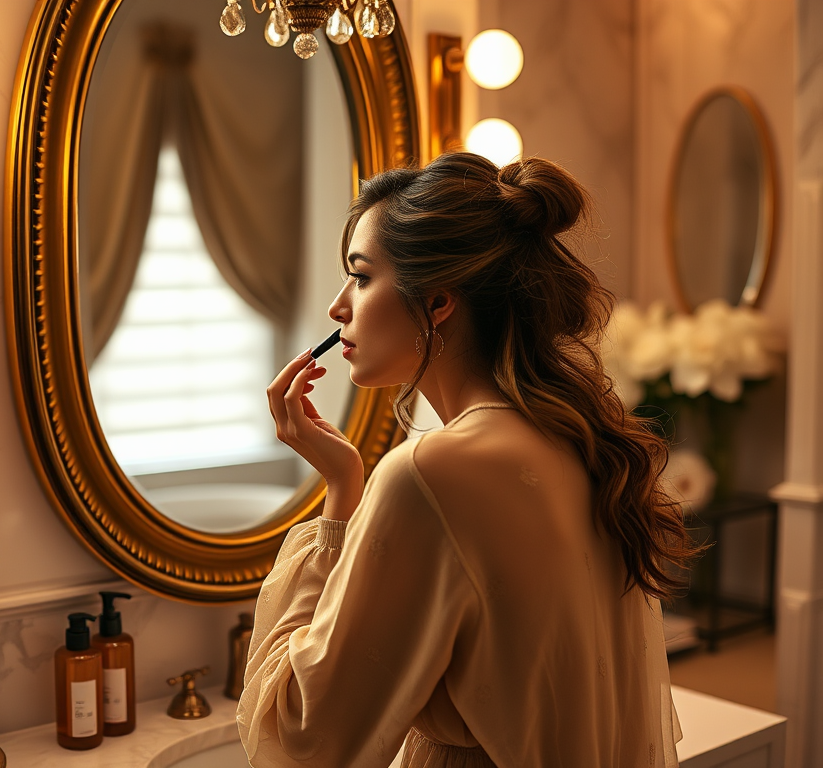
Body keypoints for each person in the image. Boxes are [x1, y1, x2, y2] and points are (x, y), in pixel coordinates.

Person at [236, 153, 695, 768]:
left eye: (362, 276)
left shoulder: (427, 474)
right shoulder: (579, 441)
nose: (337, 307)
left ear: (439, 300)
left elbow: (303, 737)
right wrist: (348, 477)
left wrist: (343, 495)